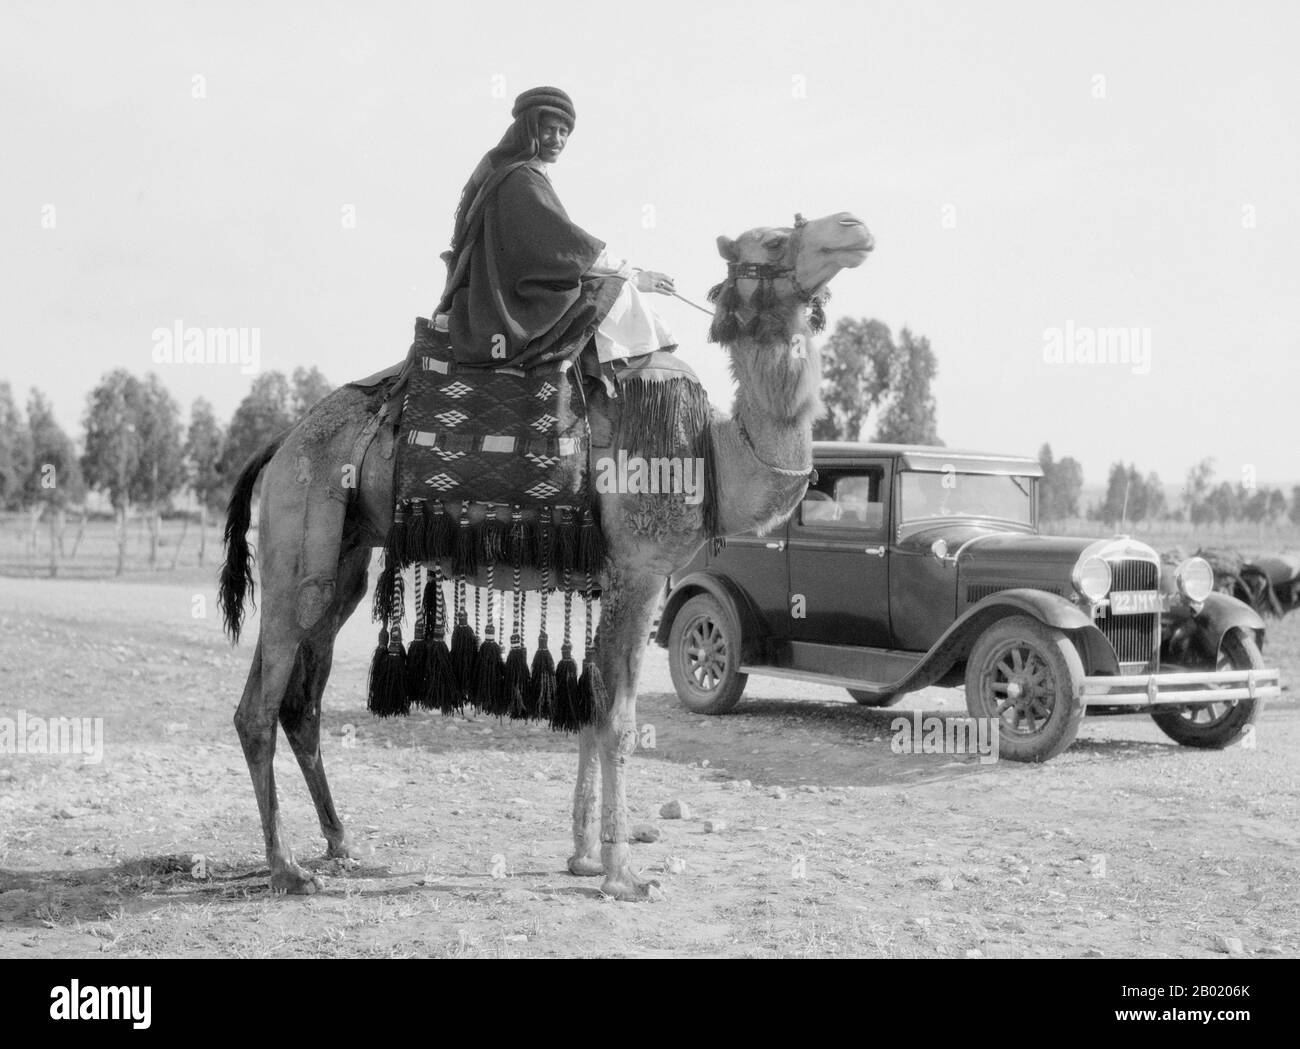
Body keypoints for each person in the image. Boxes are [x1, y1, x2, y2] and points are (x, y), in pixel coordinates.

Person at [432, 86, 678, 370]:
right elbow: (568, 249)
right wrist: (633, 276)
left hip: (508, 289)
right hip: (510, 301)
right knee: (617, 292)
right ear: (528, 129)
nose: (557, 139)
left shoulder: (513, 173)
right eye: (549, 129)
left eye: (564, 132)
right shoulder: (521, 180)